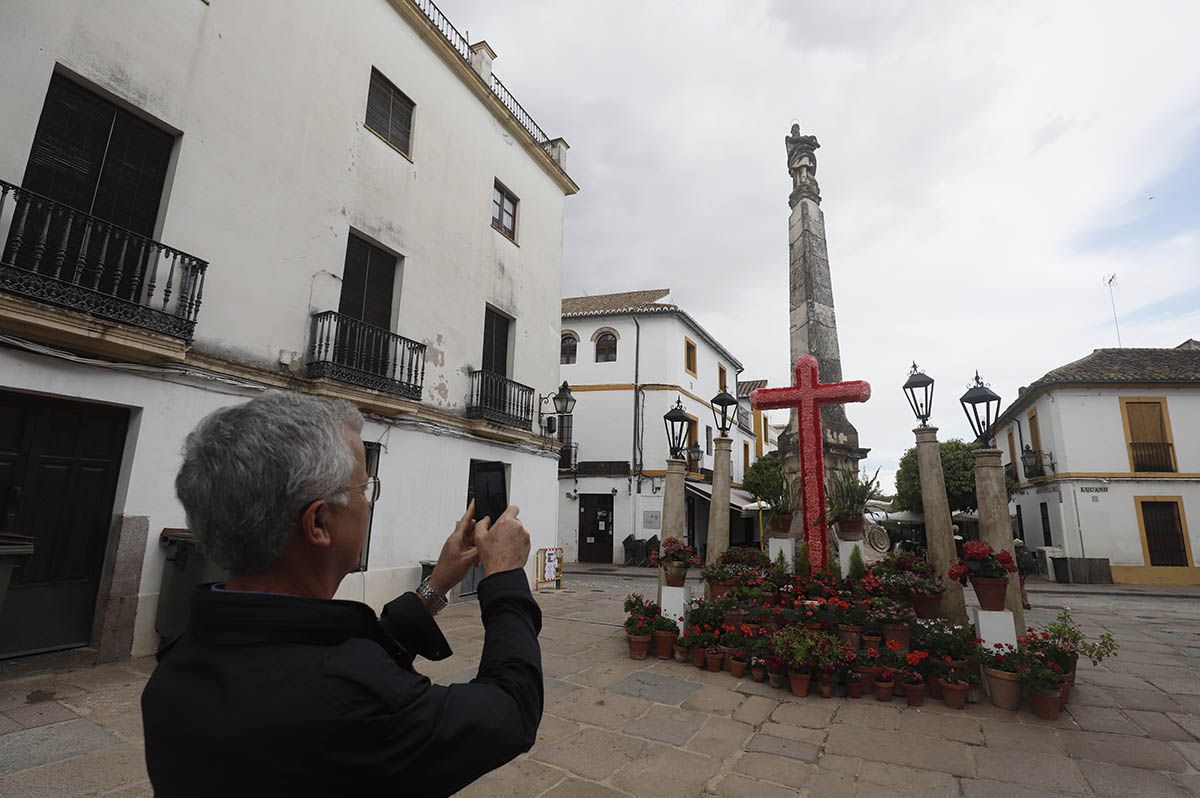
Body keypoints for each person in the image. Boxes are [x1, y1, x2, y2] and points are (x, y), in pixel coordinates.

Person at [141, 393, 542, 797]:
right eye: (364, 489)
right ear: (318, 521)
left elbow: (324, 653)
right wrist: (504, 575)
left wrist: (436, 584)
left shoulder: (176, 672)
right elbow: (511, 710)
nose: (367, 504)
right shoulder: (351, 699)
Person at [1014, 538, 1037, 610]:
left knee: (1021, 586)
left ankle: (1025, 603)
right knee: (1021, 586)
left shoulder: (1016, 550)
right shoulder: (1024, 549)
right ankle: (1024, 602)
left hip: (1021, 570)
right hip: (1025, 570)